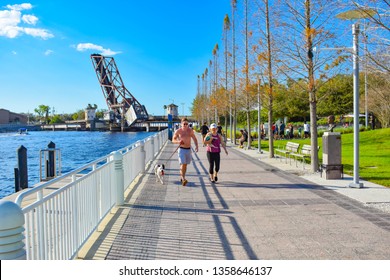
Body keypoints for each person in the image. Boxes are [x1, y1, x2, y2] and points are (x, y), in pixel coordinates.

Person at [172, 117, 199, 186]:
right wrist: (178, 141)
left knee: (185, 165)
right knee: (183, 163)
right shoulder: (178, 131)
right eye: (184, 124)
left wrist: (196, 146)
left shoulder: (190, 131)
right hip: (181, 149)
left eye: (187, 124)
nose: (185, 125)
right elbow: (173, 140)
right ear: (181, 124)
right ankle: (183, 178)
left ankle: (182, 176)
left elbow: (195, 139)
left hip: (188, 149)